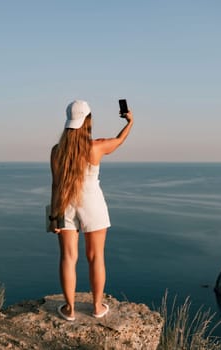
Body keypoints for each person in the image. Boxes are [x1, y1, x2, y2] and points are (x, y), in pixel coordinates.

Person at [49, 99, 133, 321]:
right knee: (96, 257)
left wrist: (53, 217)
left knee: (68, 257)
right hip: (93, 205)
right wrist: (129, 121)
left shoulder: (57, 151)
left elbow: (55, 185)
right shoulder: (96, 147)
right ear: (87, 121)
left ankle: (69, 309)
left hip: (65, 205)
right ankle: (97, 307)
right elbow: (119, 140)